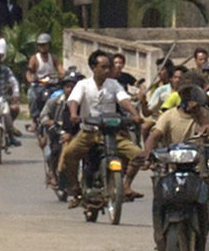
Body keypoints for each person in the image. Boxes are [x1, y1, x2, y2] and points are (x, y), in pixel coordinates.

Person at [141, 84, 209, 251]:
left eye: (194, 99)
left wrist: (207, 126)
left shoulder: (208, 114)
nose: (191, 103)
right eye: (187, 97)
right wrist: (147, 154)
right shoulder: (169, 116)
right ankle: (160, 249)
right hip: (172, 171)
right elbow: (154, 135)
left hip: (200, 172)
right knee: (159, 205)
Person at [57, 50, 144, 205]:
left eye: (108, 67)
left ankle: (125, 185)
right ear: (93, 67)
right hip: (88, 132)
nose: (107, 70)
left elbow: (124, 100)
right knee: (68, 155)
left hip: (111, 133)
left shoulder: (114, 85)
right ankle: (75, 187)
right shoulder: (83, 85)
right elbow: (73, 101)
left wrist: (135, 114)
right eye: (103, 67)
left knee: (138, 154)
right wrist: (73, 114)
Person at [38, 69, 83, 189]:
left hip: (80, 133)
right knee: (55, 151)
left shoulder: (84, 102)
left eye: (74, 86)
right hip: (59, 133)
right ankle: (52, 172)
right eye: (68, 86)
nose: (70, 89)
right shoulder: (55, 101)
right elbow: (43, 115)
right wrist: (49, 122)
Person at [26, 33, 65, 124]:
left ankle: (59, 118)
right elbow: (29, 71)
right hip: (38, 85)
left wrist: (62, 75)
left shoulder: (53, 58)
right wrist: (30, 78)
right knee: (32, 97)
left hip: (52, 85)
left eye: (45, 44)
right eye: (40, 45)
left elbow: (60, 69)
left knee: (61, 97)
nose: (43, 47)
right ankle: (35, 120)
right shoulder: (34, 58)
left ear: (49, 45)